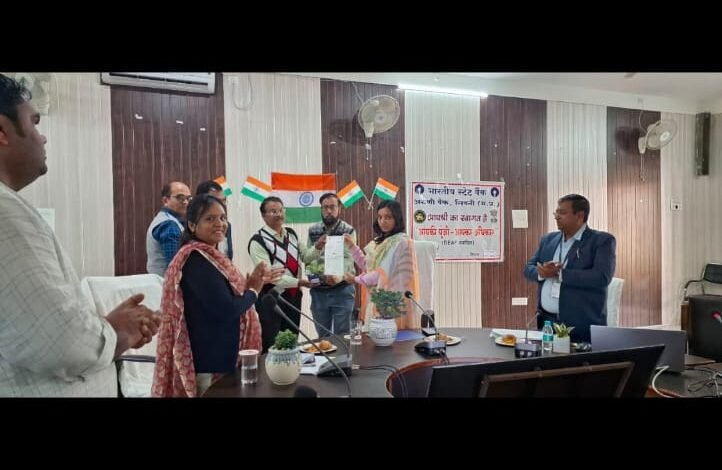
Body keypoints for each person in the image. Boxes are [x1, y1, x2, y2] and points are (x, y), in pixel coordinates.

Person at [0, 73, 159, 397]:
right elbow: (59, 341)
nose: (43, 138)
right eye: (34, 123)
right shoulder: (5, 212)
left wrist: (105, 327)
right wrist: (117, 333)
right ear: (2, 132)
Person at [152, 194, 277, 397]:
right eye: (210, 219)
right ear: (192, 225)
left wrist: (250, 286)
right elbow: (226, 309)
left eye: (222, 218)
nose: (219, 224)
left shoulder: (211, 257)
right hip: (210, 364)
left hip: (223, 360)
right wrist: (253, 291)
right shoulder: (195, 259)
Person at [523, 194, 616, 343]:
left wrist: (561, 274)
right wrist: (541, 273)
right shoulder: (548, 239)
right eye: (556, 212)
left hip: (581, 326)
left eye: (562, 213)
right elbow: (528, 268)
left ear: (580, 216)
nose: (557, 217)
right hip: (547, 323)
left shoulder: (601, 241)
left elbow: (601, 277)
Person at [248, 196, 313, 353]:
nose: (278, 214)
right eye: (273, 211)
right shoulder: (258, 241)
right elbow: (271, 276)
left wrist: (318, 247)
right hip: (272, 298)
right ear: (263, 215)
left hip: (294, 296)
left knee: (291, 340)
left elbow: (306, 256)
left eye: (280, 210)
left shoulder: (291, 234)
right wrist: (299, 282)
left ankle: (290, 368)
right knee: (272, 344)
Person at [344, 199, 420, 330]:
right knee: (374, 338)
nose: (383, 221)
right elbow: (368, 266)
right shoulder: (378, 242)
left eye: (388, 217)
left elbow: (380, 274)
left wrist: (355, 279)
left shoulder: (400, 242)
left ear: (397, 218)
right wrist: (352, 246)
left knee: (393, 339)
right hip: (378, 298)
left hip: (394, 302)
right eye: (380, 217)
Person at [300, 192, 357, 336]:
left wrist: (337, 277)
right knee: (323, 337)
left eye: (332, 207)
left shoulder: (348, 230)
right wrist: (316, 281)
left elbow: (348, 260)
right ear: (321, 209)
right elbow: (309, 260)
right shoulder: (313, 230)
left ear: (339, 209)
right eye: (325, 207)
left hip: (342, 290)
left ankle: (343, 353)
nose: (329, 211)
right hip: (319, 292)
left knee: (343, 336)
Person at [146, 181, 192, 276]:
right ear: (165, 200)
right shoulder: (169, 225)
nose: (186, 202)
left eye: (188, 198)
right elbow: (175, 266)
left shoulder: (167, 218)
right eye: (180, 198)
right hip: (167, 282)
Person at [195, 180, 233, 260]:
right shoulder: (190, 227)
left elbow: (228, 257)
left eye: (223, 201)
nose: (221, 206)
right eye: (216, 201)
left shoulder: (226, 226)